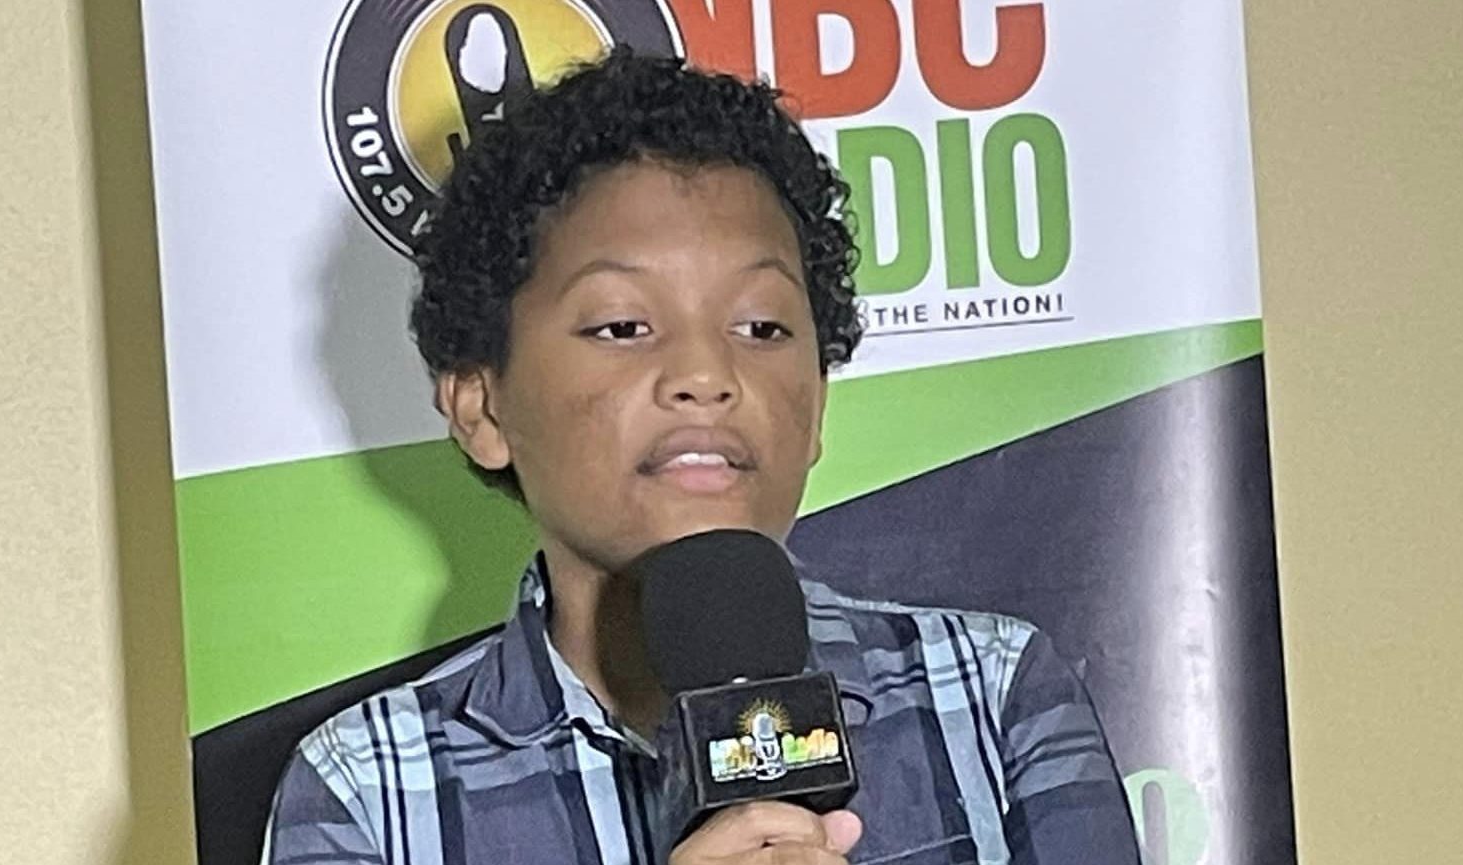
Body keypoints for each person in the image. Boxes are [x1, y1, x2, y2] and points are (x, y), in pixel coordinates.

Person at [264, 48, 1140, 865]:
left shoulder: (990, 693)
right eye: (622, 326)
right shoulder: (369, 788)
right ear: (483, 407)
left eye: (761, 326)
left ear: (817, 400)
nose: (706, 375)